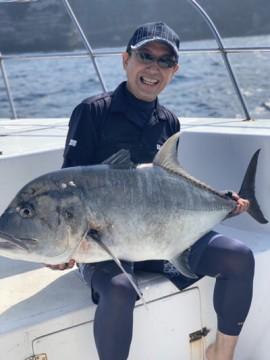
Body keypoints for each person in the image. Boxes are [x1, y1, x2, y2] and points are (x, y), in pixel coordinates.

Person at [47, 22, 252, 360]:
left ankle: (221, 354)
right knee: (119, 289)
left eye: (165, 61)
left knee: (238, 256)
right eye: (145, 56)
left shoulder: (169, 121)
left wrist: (220, 200)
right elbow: (68, 190)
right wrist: (61, 249)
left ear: (175, 71)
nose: (153, 68)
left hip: (161, 237)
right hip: (104, 245)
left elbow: (171, 183)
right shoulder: (93, 111)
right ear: (125, 59)